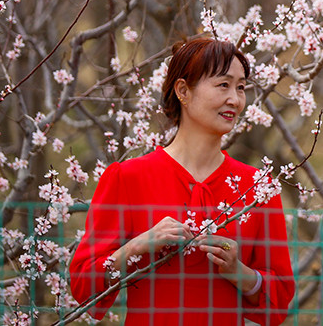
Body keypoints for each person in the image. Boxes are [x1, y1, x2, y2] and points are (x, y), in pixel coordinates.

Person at [69, 38, 295, 325]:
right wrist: (136, 247)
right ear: (183, 91)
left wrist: (237, 271)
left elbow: (279, 302)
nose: (235, 100)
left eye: (241, 87)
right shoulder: (128, 178)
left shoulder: (257, 187)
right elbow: (82, 285)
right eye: (223, 85)